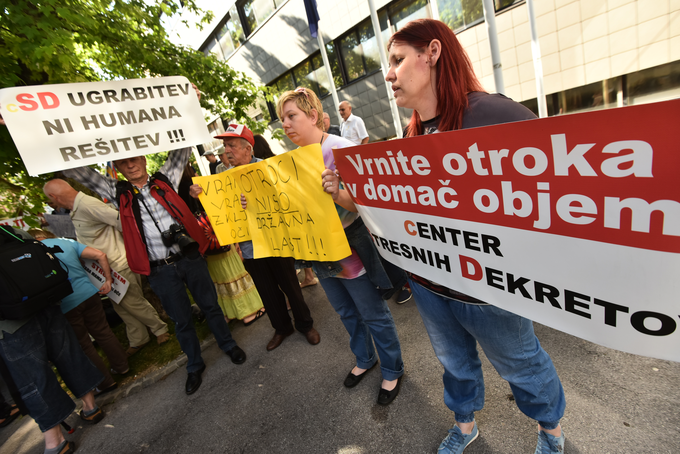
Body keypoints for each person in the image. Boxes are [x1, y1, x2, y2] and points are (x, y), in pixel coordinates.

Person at [378, 18, 566, 453]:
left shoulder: (494, 114)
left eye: (398, 60)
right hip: (430, 284)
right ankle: (465, 425)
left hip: (489, 290)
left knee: (521, 364)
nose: (389, 73)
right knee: (454, 364)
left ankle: (552, 433)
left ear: (433, 53)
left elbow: (557, 190)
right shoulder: (410, 135)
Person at [63, 117, 246, 395]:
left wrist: (186, 105)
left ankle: (228, 345)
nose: (131, 164)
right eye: (124, 163)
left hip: (190, 258)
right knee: (181, 320)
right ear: (119, 168)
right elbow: (80, 172)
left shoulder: (165, 178)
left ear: (144, 158)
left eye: (134, 158)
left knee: (210, 306)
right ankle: (194, 365)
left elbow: (181, 149)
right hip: (160, 270)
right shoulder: (117, 192)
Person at [276, 87, 405, 405]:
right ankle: (365, 359)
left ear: (313, 116)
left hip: (350, 246)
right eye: (282, 119)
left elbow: (369, 202)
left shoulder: (341, 148)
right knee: (345, 311)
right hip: (317, 249)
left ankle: (392, 369)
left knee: (372, 312)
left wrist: (338, 193)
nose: (286, 124)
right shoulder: (289, 162)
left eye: (291, 116)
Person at [190, 124, 321, 352]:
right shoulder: (221, 176)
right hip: (249, 247)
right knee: (266, 291)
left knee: (291, 285)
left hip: (276, 241)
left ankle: (305, 324)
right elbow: (219, 208)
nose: (226, 150)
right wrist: (200, 195)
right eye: (225, 146)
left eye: (231, 145)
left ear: (248, 148)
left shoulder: (268, 168)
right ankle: (281, 328)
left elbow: (287, 199)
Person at [0, 227, 105, 454]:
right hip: (47, 304)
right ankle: (91, 406)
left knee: (34, 378)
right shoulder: (10, 231)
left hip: (11, 324)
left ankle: (55, 440)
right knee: (70, 355)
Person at [42, 179, 171, 357]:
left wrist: (128, 250)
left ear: (54, 196)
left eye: (49, 200)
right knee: (121, 307)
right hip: (103, 269)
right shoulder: (77, 208)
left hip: (117, 263)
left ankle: (160, 329)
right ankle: (138, 339)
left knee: (133, 303)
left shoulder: (88, 205)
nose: (51, 204)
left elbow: (124, 223)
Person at [30, 230, 130, 395]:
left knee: (85, 344)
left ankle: (105, 383)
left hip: (66, 303)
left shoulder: (34, 254)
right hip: (89, 293)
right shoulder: (66, 243)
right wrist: (108, 279)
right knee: (104, 331)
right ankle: (123, 367)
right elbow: (100, 255)